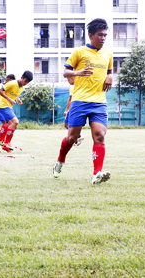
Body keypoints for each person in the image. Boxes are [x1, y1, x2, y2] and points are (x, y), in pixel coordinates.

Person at [53, 18, 113, 185]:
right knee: (72, 138)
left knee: (99, 136)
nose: (103, 38)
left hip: (99, 102)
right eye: (100, 35)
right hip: (80, 101)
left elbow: (109, 71)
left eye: (105, 35)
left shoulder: (107, 54)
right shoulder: (79, 52)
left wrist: (110, 76)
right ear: (91, 35)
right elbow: (66, 72)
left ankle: (97, 174)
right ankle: (60, 161)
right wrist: (79, 73)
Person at [0, 71, 34, 152]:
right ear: (21, 77)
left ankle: (2, 141)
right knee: (16, 122)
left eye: (28, 82)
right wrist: (9, 99)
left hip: (8, 107)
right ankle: (6, 143)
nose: (26, 83)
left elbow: (13, 94)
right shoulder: (12, 83)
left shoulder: (22, 88)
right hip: (3, 106)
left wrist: (18, 99)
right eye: (25, 81)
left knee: (12, 125)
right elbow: (0, 91)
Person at [64, 76, 84, 147]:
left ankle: (76, 138)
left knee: (68, 125)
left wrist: (67, 110)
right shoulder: (79, 86)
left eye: (68, 80)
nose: (68, 82)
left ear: (73, 79)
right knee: (67, 125)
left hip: (73, 109)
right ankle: (78, 137)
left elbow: (70, 99)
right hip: (76, 108)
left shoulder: (73, 87)